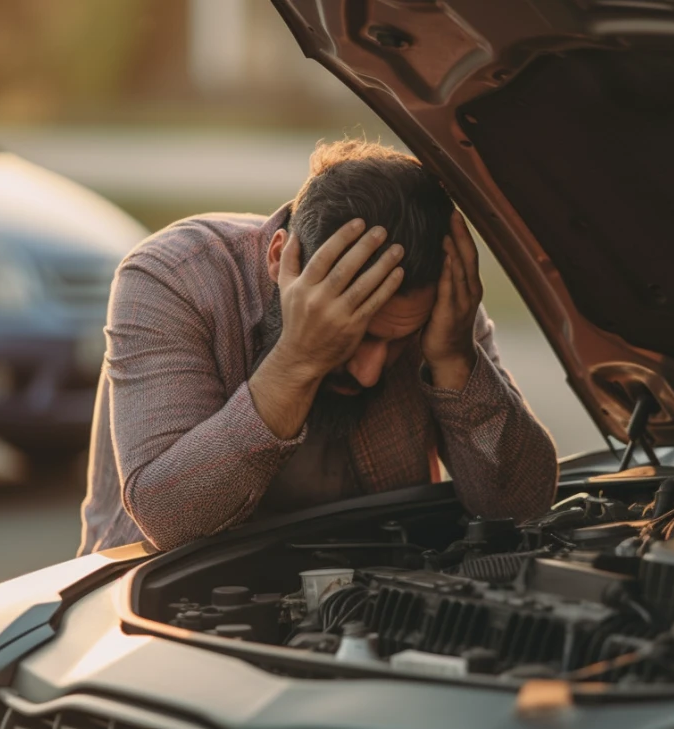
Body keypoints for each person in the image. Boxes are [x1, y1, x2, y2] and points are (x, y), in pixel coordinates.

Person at [77, 140, 558, 555]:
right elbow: (168, 519)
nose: (370, 372)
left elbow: (520, 507)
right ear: (278, 257)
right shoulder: (174, 278)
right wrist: (299, 361)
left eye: (397, 343)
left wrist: (455, 359)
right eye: (358, 333)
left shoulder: (435, 309)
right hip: (162, 616)